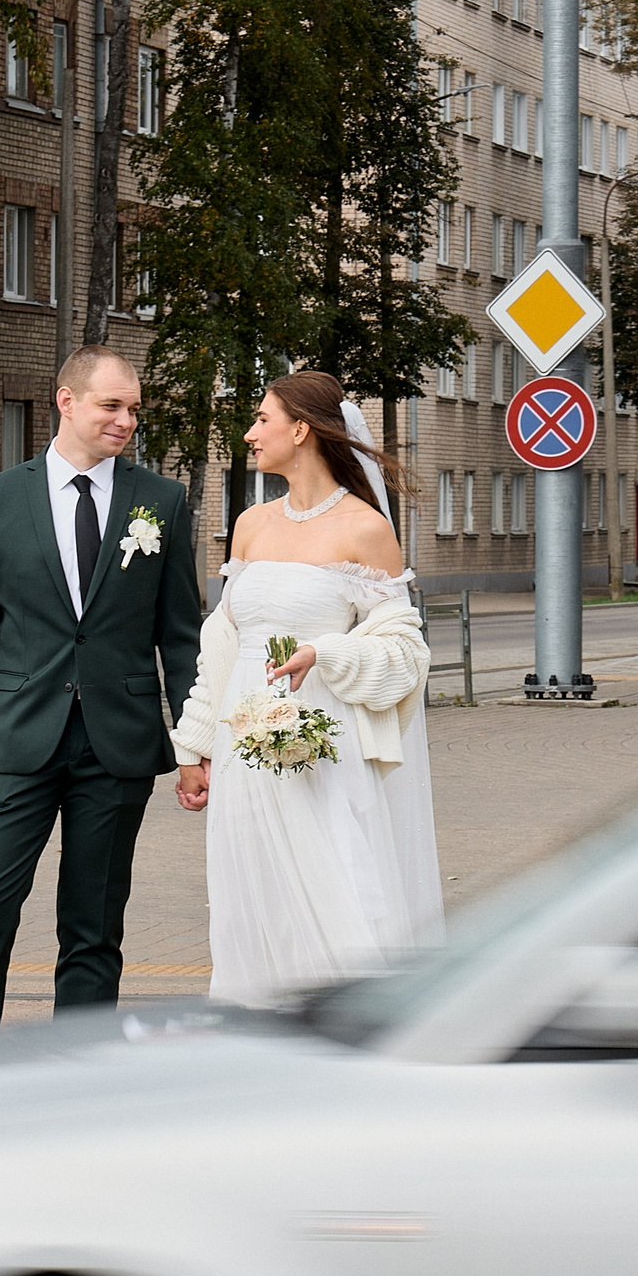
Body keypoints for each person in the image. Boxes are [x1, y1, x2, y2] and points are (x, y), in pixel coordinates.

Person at [0, 345, 203, 1029]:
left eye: (134, 410)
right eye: (111, 406)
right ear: (67, 402)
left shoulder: (161, 500)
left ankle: (75, 1080)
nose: (125, 422)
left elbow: (179, 636)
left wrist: (196, 741)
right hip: (16, 741)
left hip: (118, 744)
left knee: (92, 927)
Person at [169, 371, 444, 1007]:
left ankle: (356, 1026)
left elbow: (405, 653)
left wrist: (327, 652)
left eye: (262, 419)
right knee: (251, 892)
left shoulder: (365, 528)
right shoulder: (250, 525)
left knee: (336, 885)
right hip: (246, 748)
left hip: (321, 749)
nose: (249, 433)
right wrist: (195, 746)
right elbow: (223, 646)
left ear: (301, 429)